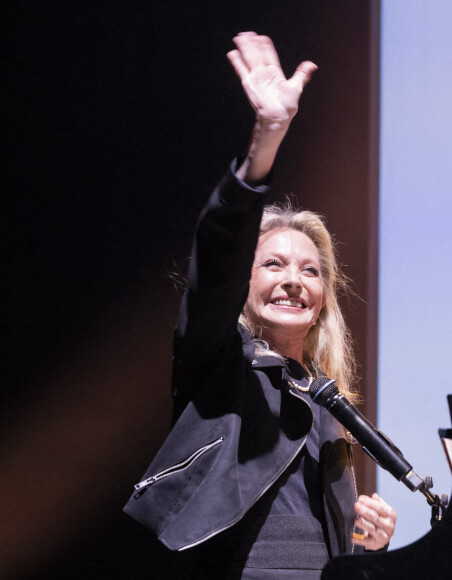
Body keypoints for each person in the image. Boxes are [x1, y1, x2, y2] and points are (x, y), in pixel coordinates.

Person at [124, 32, 396, 579]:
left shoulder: (325, 401)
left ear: (323, 300)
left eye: (311, 271)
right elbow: (220, 254)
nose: (294, 281)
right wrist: (266, 140)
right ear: (242, 288)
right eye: (273, 265)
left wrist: (369, 542)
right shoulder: (220, 363)